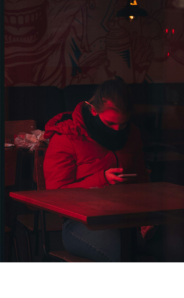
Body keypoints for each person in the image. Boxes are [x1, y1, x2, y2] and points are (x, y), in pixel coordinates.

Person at [42, 76, 152, 261]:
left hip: (129, 217)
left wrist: (148, 216)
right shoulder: (68, 135)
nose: (117, 130)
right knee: (123, 254)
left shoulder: (132, 133)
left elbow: (142, 182)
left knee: (178, 246)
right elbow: (56, 196)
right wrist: (102, 179)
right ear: (93, 110)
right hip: (82, 223)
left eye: (123, 123)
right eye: (110, 123)